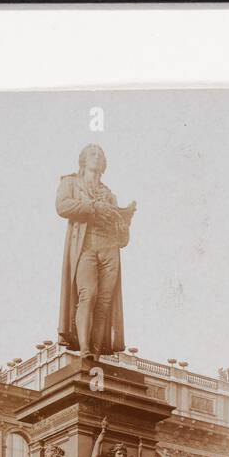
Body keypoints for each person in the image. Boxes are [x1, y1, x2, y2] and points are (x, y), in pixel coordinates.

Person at [56, 144, 137, 360]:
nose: (97, 157)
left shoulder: (109, 194)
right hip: (86, 246)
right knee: (88, 294)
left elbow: (123, 240)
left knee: (104, 301)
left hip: (110, 248)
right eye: (93, 154)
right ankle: (84, 350)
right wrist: (93, 208)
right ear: (82, 159)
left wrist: (124, 220)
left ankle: (97, 354)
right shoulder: (70, 182)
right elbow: (62, 206)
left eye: (101, 155)